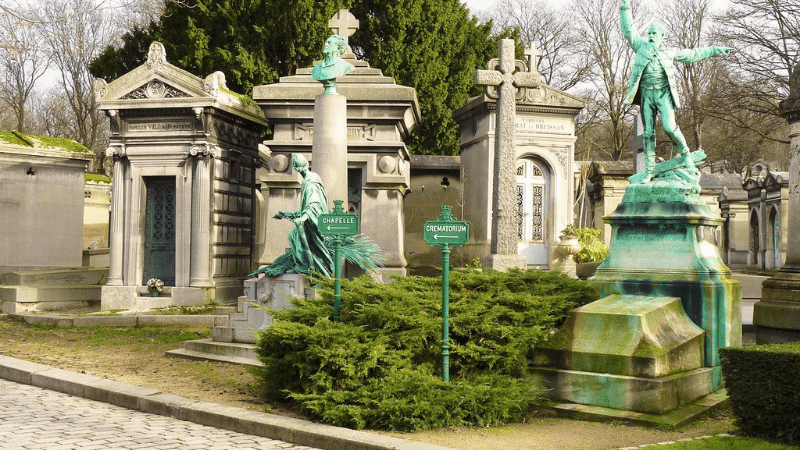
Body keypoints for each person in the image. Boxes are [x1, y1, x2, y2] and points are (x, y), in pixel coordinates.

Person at [621, 0, 731, 183]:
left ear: (662, 36)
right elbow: (628, 30)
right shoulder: (641, 47)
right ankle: (649, 171)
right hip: (647, 94)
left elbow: (693, 55)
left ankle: (686, 155)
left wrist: (714, 50)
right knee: (648, 133)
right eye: (649, 33)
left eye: (654, 33)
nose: (650, 35)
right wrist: (625, 6)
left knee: (670, 127)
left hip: (664, 94)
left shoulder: (669, 52)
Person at [253, 154, 334, 278]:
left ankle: (312, 270)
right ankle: (311, 269)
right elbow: (307, 205)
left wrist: (303, 217)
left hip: (314, 220)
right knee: (298, 238)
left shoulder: (310, 182)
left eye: (297, 168)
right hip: (312, 218)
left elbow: (313, 203)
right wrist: (290, 214)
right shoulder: (313, 178)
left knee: (296, 237)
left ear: (298, 168)